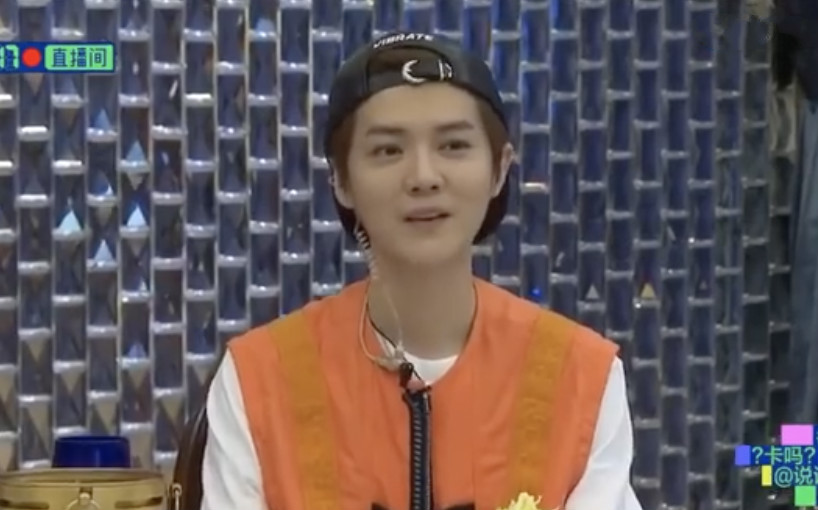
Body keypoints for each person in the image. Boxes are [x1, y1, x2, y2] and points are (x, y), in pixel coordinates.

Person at [200, 32, 643, 510]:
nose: (423, 177)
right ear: (341, 180)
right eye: (388, 151)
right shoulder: (259, 380)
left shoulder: (582, 378)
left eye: (453, 145)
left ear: (499, 169)